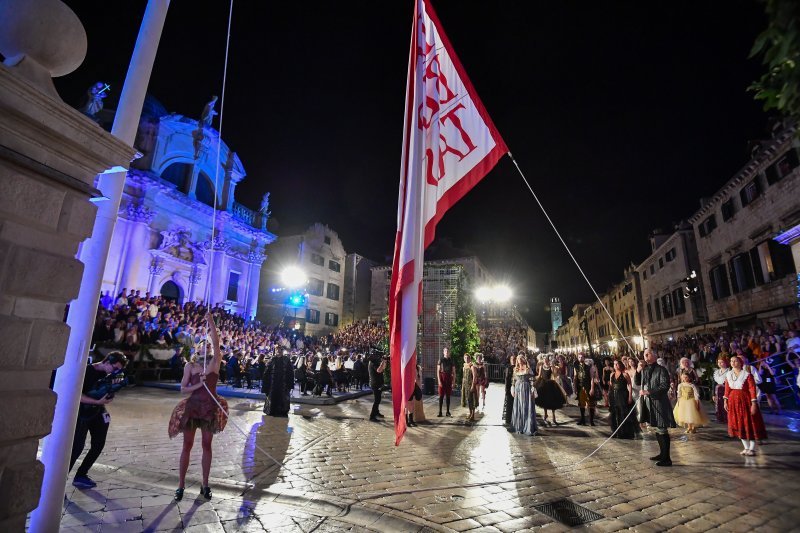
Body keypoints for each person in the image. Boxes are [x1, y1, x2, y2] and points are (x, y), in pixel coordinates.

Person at [168, 313, 228, 501]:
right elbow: (183, 389)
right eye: (203, 345)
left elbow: (217, 344)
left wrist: (211, 323)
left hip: (209, 407)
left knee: (206, 444)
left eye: (208, 345)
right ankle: (180, 485)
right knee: (187, 444)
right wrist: (198, 384)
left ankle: (205, 484)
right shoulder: (190, 366)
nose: (207, 346)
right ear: (197, 349)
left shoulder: (214, 363)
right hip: (193, 407)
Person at [70, 352, 129, 489]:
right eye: (115, 368)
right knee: (77, 446)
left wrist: (111, 391)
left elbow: (105, 391)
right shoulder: (87, 371)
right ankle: (60, 481)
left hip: (98, 409)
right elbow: (76, 394)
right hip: (83, 411)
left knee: (98, 444)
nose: (115, 372)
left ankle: (81, 474)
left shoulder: (109, 375)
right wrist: (97, 401)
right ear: (107, 361)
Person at [636, 348, 676, 466]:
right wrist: (638, 370)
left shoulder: (661, 369)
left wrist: (648, 392)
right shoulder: (645, 369)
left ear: (654, 355)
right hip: (649, 403)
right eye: (644, 355)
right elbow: (638, 382)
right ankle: (662, 454)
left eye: (648, 354)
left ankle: (667, 458)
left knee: (662, 428)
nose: (646, 356)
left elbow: (664, 385)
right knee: (657, 429)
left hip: (659, 402)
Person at [724, 355, 768, 456]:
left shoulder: (747, 375)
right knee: (738, 424)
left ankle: (752, 448)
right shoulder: (729, 374)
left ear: (740, 362)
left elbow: (752, 389)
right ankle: (746, 447)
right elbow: (727, 389)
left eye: (735, 361)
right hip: (733, 401)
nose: (733, 363)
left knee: (749, 423)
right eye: (731, 361)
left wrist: (753, 403)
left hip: (745, 401)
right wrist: (725, 401)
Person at [535, 354, 567, 426]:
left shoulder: (551, 367)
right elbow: (539, 376)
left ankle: (553, 417)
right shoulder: (541, 367)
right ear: (543, 360)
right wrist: (535, 380)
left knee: (552, 400)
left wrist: (556, 370)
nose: (545, 361)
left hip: (550, 384)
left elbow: (555, 375)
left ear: (548, 360)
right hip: (543, 384)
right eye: (544, 360)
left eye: (546, 360)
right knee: (544, 400)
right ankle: (545, 414)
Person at [608, 359, 636, 439]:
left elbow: (630, 385)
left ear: (620, 365)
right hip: (614, 395)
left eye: (617, 364)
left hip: (623, 395)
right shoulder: (612, 374)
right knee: (615, 413)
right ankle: (615, 431)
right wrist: (609, 395)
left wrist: (630, 396)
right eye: (614, 364)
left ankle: (624, 432)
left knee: (623, 413)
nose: (616, 366)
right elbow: (611, 385)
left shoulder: (625, 374)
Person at [262, 350, 294, 416]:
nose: (279, 352)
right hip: (273, 383)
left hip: (283, 383)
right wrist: (265, 385)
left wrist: (290, 384)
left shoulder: (286, 360)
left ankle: (282, 411)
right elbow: (267, 373)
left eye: (280, 350)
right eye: (278, 350)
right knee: (273, 397)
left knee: (283, 397)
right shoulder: (272, 360)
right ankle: (272, 410)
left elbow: (290, 373)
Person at [511, 355, 537, 436]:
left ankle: (528, 426)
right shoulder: (515, 369)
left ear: (524, 359)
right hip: (518, 389)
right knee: (519, 407)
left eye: (520, 358)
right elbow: (513, 381)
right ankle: (520, 426)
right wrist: (512, 389)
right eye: (518, 359)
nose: (519, 360)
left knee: (526, 406)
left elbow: (532, 380)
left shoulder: (528, 368)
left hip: (526, 388)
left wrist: (533, 390)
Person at [573, 353, 598, 426]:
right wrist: (574, 387)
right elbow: (575, 378)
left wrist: (592, 388)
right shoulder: (576, 367)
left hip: (588, 387)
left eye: (582, 357)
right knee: (581, 404)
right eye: (579, 357)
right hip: (580, 387)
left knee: (590, 403)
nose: (580, 358)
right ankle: (582, 419)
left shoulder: (588, 367)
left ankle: (591, 420)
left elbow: (591, 378)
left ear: (584, 358)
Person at [437, 347, 455, 417]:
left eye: (447, 351)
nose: (446, 352)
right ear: (443, 352)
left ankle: (447, 411)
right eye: (445, 351)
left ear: (449, 352)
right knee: (441, 395)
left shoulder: (451, 360)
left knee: (448, 396)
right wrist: (439, 381)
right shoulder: (440, 360)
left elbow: (454, 372)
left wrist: (453, 381)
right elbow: (438, 371)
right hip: (442, 377)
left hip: (449, 378)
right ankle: (440, 412)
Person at [368, 354, 387, 421]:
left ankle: (376, 412)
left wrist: (384, 362)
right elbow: (379, 370)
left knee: (378, 399)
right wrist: (383, 362)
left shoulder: (373, 362)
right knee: (377, 400)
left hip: (377, 383)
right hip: (375, 384)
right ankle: (372, 416)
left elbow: (383, 368)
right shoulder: (373, 363)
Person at [713, 355, 730, 423]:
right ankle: (719, 418)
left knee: (725, 404)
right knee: (717, 404)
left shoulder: (729, 371)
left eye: (722, 362)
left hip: (725, 390)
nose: (720, 364)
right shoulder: (716, 372)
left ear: (726, 362)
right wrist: (713, 394)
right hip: (717, 391)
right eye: (718, 362)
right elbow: (713, 383)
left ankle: (726, 418)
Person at [461, 354, 477, 423]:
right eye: (465, 358)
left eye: (468, 358)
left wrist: (473, 386)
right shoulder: (464, 365)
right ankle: (470, 413)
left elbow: (475, 376)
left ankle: (473, 415)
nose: (466, 359)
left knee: (471, 400)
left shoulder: (472, 366)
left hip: (470, 385)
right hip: (465, 385)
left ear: (470, 358)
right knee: (468, 400)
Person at [502, 354, 517, 427]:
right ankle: (508, 419)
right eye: (512, 359)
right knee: (509, 404)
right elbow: (507, 379)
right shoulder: (508, 368)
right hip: (510, 388)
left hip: (517, 388)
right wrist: (507, 389)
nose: (513, 360)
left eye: (514, 359)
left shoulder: (518, 367)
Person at [406, 362, 423, 427]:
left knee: (412, 404)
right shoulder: (407, 366)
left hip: (414, 387)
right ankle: (406, 420)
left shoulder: (417, 367)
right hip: (408, 386)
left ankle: (411, 420)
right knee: (407, 404)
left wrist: (419, 388)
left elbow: (418, 379)